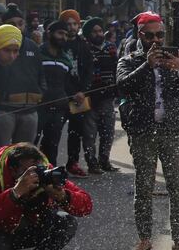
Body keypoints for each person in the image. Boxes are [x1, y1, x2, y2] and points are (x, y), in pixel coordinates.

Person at [117, 12, 179, 250]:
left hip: (171, 131)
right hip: (143, 133)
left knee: (178, 187)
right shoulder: (129, 60)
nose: (156, 40)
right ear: (140, 35)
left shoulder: (174, 58)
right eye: (150, 35)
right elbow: (122, 86)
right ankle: (144, 239)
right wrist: (146, 66)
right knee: (144, 187)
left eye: (160, 35)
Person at [0, 143, 93, 250]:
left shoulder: (45, 170)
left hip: (25, 224)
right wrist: (15, 193)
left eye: (36, 170)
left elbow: (86, 205)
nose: (34, 176)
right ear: (12, 170)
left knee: (66, 224)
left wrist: (63, 196)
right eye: (27, 172)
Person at [0, 22, 44, 150]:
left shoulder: (9, 67)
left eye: (15, 51)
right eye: (7, 50)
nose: (12, 56)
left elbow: (40, 76)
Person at [37, 21, 79, 165]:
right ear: (49, 33)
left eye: (66, 35)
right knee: (30, 145)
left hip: (59, 109)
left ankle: (49, 180)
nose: (63, 37)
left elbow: (68, 83)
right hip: (38, 108)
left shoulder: (65, 58)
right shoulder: (37, 54)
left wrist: (75, 94)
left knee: (52, 146)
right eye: (60, 33)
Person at [59, 10, 93, 179]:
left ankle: (72, 163)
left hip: (80, 96)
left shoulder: (83, 44)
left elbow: (88, 70)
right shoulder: (58, 44)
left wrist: (82, 91)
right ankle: (47, 165)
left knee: (75, 131)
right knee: (54, 131)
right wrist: (71, 93)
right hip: (62, 96)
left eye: (75, 24)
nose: (72, 27)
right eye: (68, 24)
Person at [81, 18, 119, 174]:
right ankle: (92, 163)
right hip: (89, 97)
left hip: (107, 96)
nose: (98, 34)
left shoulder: (110, 47)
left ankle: (105, 161)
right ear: (88, 34)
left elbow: (116, 68)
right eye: (94, 31)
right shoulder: (84, 49)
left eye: (99, 30)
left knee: (108, 132)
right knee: (90, 133)